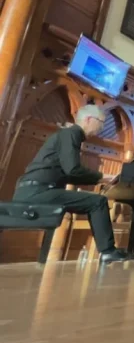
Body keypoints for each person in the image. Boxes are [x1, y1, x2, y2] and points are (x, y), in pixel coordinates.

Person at [12, 105, 127, 264]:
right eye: (101, 123)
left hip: (31, 190)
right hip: (38, 191)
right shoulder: (71, 133)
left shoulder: (68, 135)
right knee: (98, 202)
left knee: (95, 201)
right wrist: (102, 177)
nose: (101, 128)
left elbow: (68, 174)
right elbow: (72, 170)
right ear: (88, 119)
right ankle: (108, 252)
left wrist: (102, 179)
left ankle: (107, 252)